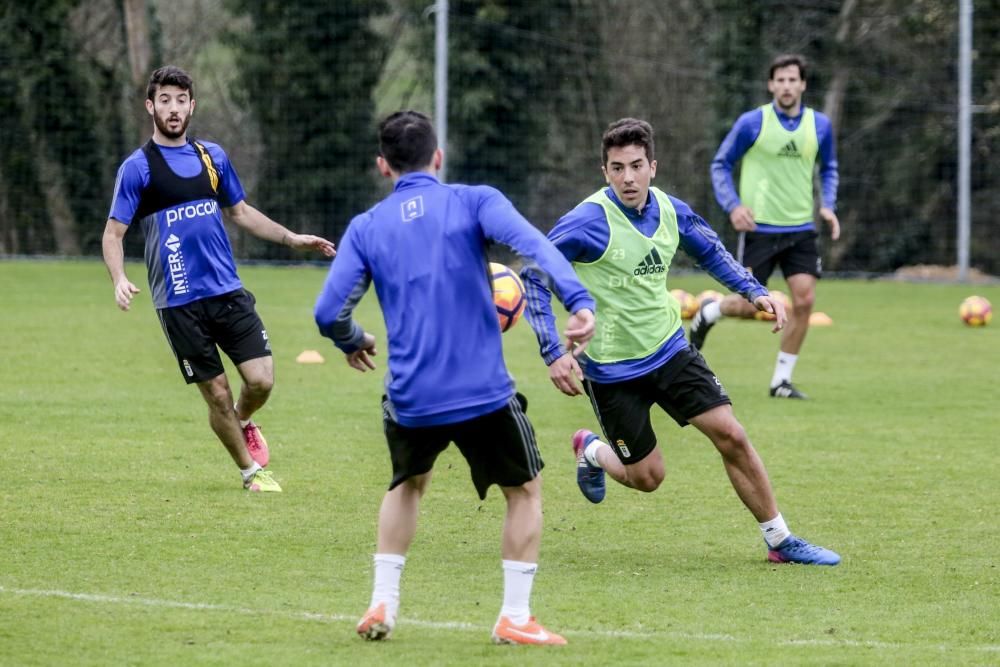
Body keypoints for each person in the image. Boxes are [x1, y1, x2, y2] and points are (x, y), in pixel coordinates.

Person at [314, 110, 596, 645]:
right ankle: (514, 615)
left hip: (411, 396)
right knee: (525, 491)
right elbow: (535, 243)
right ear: (437, 159)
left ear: (383, 166)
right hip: (481, 393)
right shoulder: (474, 200)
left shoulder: (367, 227)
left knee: (407, 484)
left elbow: (329, 312)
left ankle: (382, 602)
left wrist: (354, 340)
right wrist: (577, 300)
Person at [522, 117, 840, 566]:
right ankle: (592, 450)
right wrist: (553, 351)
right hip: (612, 369)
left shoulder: (671, 210)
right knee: (648, 478)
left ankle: (780, 540)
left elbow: (711, 251)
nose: (627, 178)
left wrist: (755, 291)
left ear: (654, 165)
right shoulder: (586, 222)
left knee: (731, 434)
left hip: (671, 350)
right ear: (604, 171)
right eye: (617, 168)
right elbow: (534, 274)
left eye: (636, 166)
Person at [102, 65, 335, 493]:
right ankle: (251, 473)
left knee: (261, 380)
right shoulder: (138, 169)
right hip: (179, 304)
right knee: (216, 393)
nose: (174, 109)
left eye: (181, 100)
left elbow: (241, 213)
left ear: (193, 106)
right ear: (151, 106)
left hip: (227, 291)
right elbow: (113, 234)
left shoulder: (213, 157)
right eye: (165, 100)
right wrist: (118, 277)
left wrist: (290, 238)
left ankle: (244, 421)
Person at [692, 53, 840, 400]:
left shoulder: (820, 125)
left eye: (793, 80)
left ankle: (780, 382)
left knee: (804, 301)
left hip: (801, 229)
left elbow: (829, 167)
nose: (787, 86)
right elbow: (721, 163)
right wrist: (733, 205)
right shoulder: (752, 123)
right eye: (780, 80)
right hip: (759, 229)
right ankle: (711, 311)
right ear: (771, 84)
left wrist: (829, 205)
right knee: (750, 304)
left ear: (803, 84)